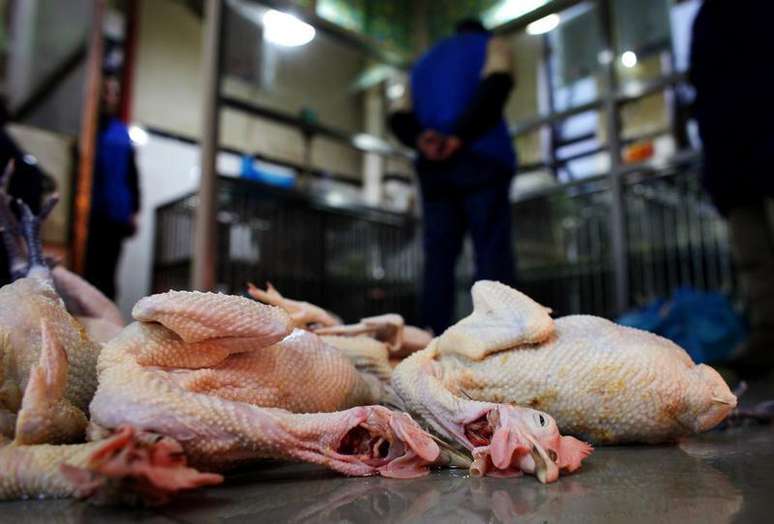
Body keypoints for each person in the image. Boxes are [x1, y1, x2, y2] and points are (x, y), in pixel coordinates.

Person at [389, 18, 517, 335]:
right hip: (480, 158)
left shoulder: (423, 64)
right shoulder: (492, 45)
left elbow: (398, 115)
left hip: (434, 169)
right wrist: (460, 135)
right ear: (480, 31)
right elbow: (495, 87)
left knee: (439, 258)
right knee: (490, 251)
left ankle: (429, 341)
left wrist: (422, 139)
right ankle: (502, 338)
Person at [690, 0, 774, 376]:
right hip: (733, 151)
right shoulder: (709, 17)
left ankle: (766, 332)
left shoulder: (710, 19)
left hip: (739, 146)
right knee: (752, 254)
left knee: (753, 256)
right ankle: (767, 332)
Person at [84, 74, 141, 300]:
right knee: (88, 272)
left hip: (115, 215)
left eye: (115, 92)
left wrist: (134, 210)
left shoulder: (121, 132)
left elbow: (132, 174)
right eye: (106, 91)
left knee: (108, 275)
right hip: (90, 211)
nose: (111, 97)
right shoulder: (89, 128)